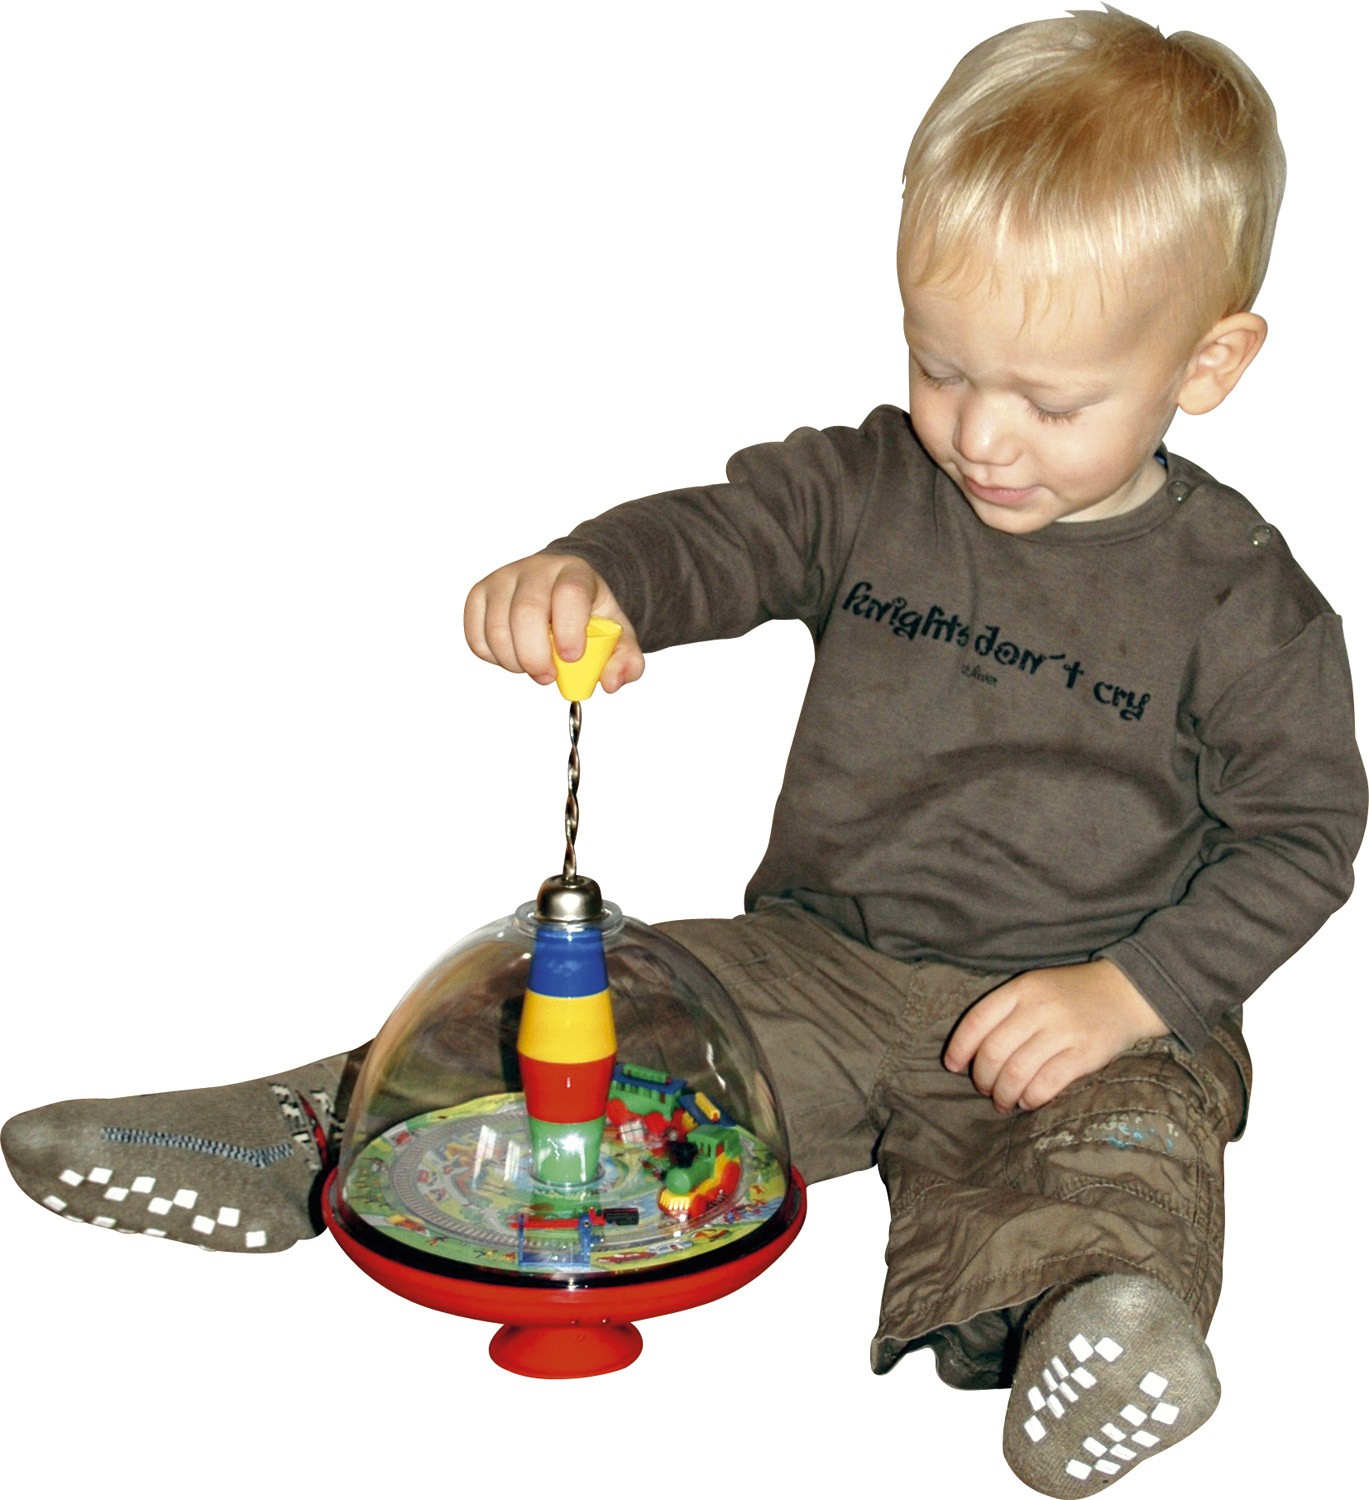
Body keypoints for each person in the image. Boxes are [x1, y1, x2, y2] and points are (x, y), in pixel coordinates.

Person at [3, 10, 1363, 1495]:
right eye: (940, 366)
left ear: (1210, 362)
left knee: (1126, 1151)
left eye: (1050, 402)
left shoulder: (1242, 601)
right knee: (593, 1019)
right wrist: (592, 576)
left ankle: (1096, 1324)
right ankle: (302, 1136)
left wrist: (1134, 992)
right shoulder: (869, 487)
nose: (981, 435)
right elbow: (722, 532)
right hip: (817, 968)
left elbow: (1304, 836)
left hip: (1091, 1008)